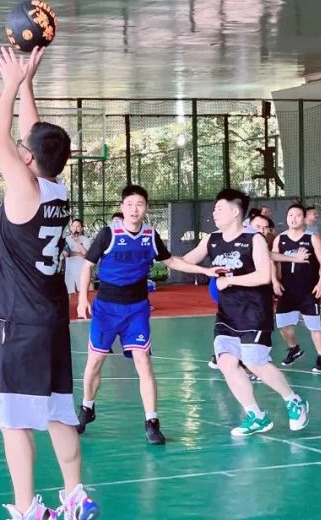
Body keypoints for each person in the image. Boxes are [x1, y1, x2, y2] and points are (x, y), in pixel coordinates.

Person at [0, 46, 99, 520]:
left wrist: (10, 84)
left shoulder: (25, 190)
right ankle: (75, 495)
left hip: (20, 321)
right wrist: (29, 82)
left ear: (29, 156)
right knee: (58, 412)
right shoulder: (55, 189)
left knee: (14, 421)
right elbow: (33, 135)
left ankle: (28, 507)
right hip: (50, 319)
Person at [76, 185, 217, 446]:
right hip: (106, 309)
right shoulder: (108, 234)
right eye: (129, 204)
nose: (134, 209)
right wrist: (83, 298)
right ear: (122, 207)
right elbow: (87, 266)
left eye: (139, 204)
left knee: (143, 362)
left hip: (136, 309)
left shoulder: (151, 236)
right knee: (95, 361)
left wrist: (205, 271)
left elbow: (172, 261)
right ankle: (87, 407)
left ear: (147, 208)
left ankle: (152, 421)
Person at [175, 188, 310, 436]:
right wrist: (159, 256)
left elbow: (263, 275)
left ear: (235, 212)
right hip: (227, 313)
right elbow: (185, 261)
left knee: (254, 362)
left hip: (254, 312)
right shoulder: (212, 239)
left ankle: (294, 401)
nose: (214, 213)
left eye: (219, 209)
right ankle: (255, 415)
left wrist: (229, 281)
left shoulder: (254, 239)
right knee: (226, 362)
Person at [271, 204, 321, 373]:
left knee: (314, 327)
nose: (293, 218)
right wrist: (274, 281)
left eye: (297, 215)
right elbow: (272, 260)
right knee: (283, 325)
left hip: (308, 291)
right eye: (290, 215)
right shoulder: (280, 239)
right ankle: (294, 348)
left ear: (304, 218)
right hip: (287, 290)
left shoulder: (312, 239)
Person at [63, 218, 91, 315]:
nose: (76, 228)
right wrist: (79, 254)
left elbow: (86, 254)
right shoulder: (66, 239)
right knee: (68, 291)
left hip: (81, 270)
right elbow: (67, 254)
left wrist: (77, 242)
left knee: (82, 291)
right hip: (69, 270)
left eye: (78, 226)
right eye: (74, 226)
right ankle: (66, 313)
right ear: (70, 228)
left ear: (82, 228)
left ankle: (82, 311)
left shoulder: (86, 240)